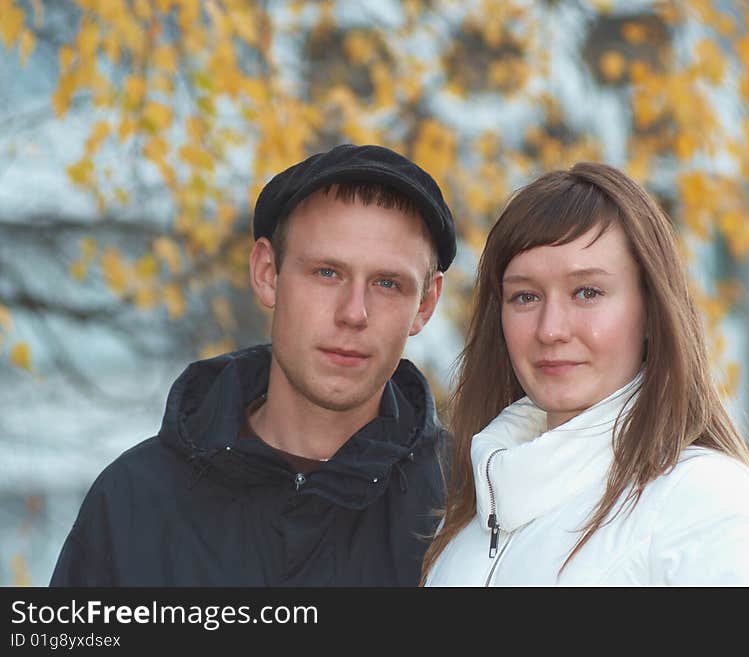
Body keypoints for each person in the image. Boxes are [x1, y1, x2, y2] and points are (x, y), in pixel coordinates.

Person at [50, 143, 457, 586]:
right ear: (267, 273)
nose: (353, 312)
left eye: (387, 283)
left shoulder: (468, 506)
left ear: (425, 303)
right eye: (327, 273)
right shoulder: (134, 501)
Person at [422, 162, 749, 586]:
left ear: (649, 312)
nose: (551, 328)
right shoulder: (466, 519)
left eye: (587, 292)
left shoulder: (701, 500)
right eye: (525, 296)